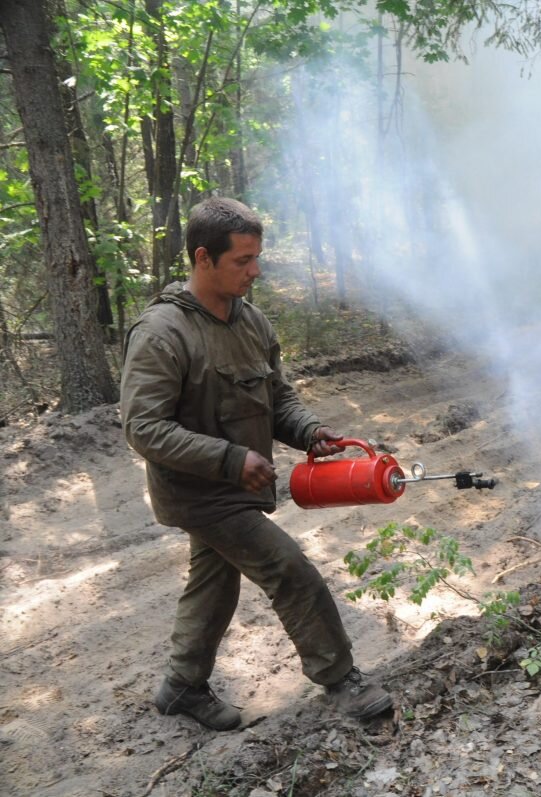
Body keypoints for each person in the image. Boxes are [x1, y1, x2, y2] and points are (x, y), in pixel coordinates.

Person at [120, 197, 392, 731]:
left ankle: (181, 686)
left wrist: (309, 431)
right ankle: (341, 681)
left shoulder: (252, 322)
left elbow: (276, 397)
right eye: (242, 260)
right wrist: (228, 458)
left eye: (256, 257)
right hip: (201, 492)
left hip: (236, 484)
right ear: (203, 258)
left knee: (214, 582)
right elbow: (143, 427)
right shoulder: (163, 333)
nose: (255, 270)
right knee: (290, 571)